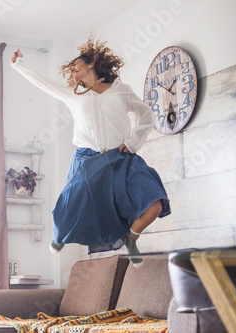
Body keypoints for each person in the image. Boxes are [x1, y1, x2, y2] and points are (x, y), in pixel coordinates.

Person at [10, 36, 171, 266]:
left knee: (155, 203)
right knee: (66, 209)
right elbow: (44, 83)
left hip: (122, 158)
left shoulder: (121, 91)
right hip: (88, 160)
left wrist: (134, 142)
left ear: (91, 63)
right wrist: (20, 65)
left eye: (75, 66)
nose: (72, 71)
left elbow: (145, 114)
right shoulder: (73, 95)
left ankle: (131, 237)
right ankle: (58, 237)